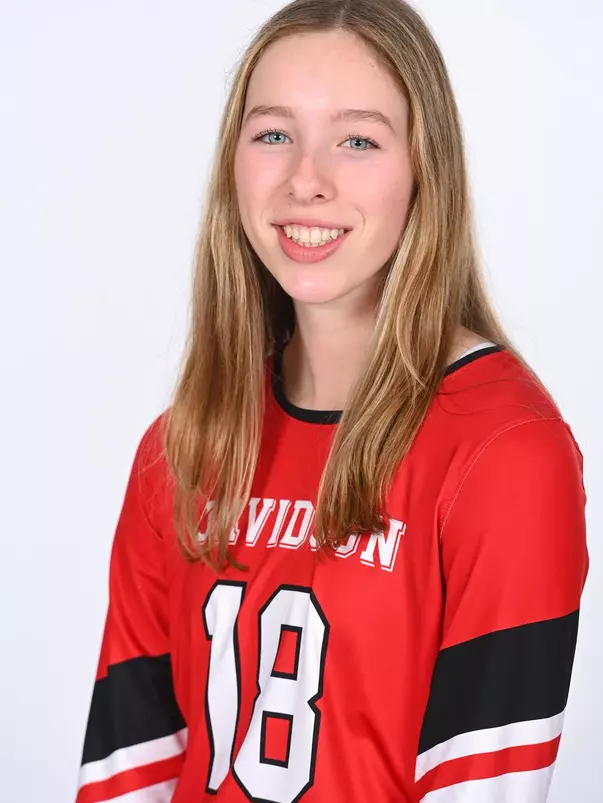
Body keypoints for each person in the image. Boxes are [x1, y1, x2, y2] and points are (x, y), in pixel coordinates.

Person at [75, 1, 589, 801]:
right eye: (273, 133)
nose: (305, 180)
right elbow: (128, 772)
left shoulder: (503, 451)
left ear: (425, 167)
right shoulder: (181, 446)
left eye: (357, 139)